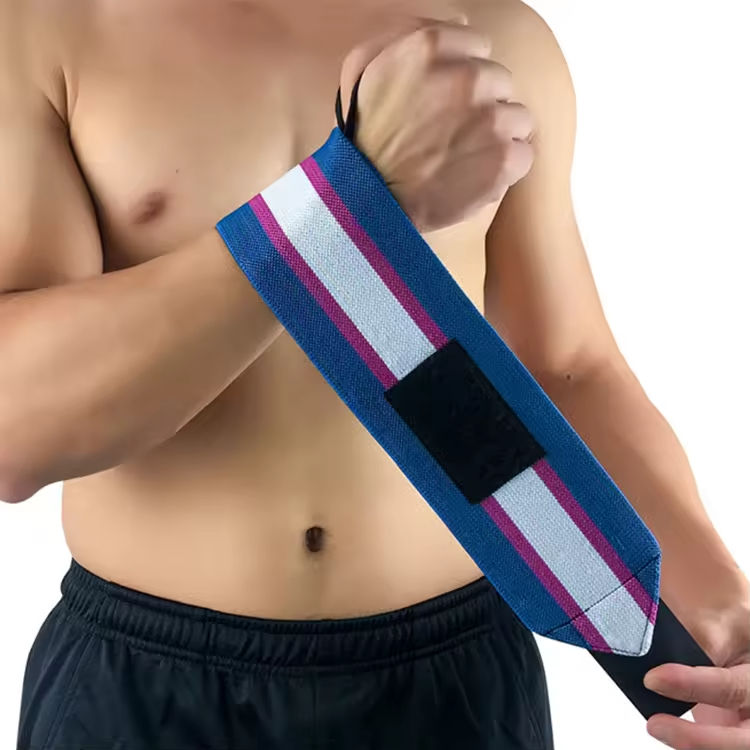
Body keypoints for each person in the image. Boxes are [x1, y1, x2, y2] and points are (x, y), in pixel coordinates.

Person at [1, 0, 748, 748]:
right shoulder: (51, 28)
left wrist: (725, 618)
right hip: (146, 680)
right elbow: (14, 435)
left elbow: (566, 370)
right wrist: (347, 199)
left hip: (455, 678)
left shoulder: (495, 37)